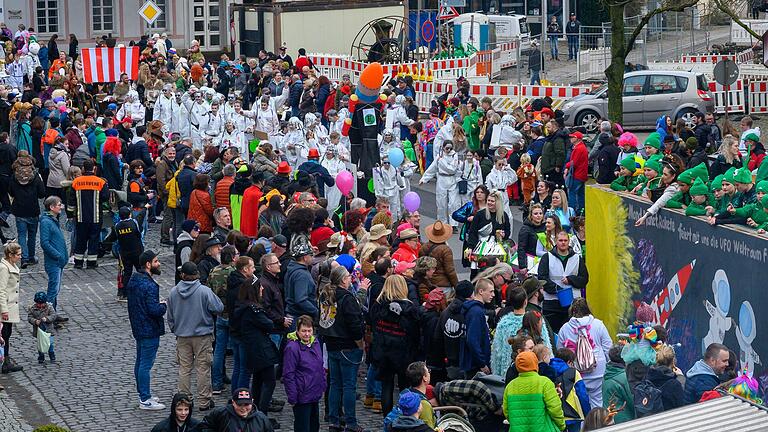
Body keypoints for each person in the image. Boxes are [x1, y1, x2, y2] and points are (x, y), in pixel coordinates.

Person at [167, 262, 224, 411]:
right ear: (196, 274)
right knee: (202, 368)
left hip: (182, 336)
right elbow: (218, 307)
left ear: (183, 275)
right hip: (202, 336)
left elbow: (170, 317)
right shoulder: (204, 291)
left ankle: (185, 400)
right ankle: (204, 401)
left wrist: (176, 330)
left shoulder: (173, 292)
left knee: (184, 369)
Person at [317, 266, 366, 432]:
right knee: (349, 386)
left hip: (331, 344)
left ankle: (334, 421)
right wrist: (360, 341)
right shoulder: (347, 298)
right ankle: (351, 422)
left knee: (335, 384)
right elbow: (355, 325)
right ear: (343, 279)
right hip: (347, 346)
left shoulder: (325, 295)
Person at [233, 278, 280, 429]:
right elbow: (268, 323)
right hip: (260, 349)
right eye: (260, 288)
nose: (262, 290)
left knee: (259, 381)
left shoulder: (243, 307)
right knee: (269, 381)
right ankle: (262, 414)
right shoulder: (253, 309)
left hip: (253, 348)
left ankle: (257, 411)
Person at [371, 274, 421, 417]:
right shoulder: (409, 308)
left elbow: (373, 325)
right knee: (404, 386)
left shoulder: (379, 305)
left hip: (384, 351)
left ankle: (388, 418)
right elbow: (415, 333)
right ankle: (405, 415)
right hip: (403, 353)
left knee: (387, 385)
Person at [126, 250, 167, 410]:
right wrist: (164, 305)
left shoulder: (134, 280)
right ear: (148, 264)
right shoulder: (149, 285)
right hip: (149, 329)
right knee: (145, 365)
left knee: (140, 362)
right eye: (156, 261)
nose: (159, 264)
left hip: (138, 327)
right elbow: (154, 310)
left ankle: (143, 393)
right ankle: (145, 398)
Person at [557, 298, 612, 408]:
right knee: (599, 403)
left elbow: (560, 353)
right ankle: (599, 422)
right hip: (599, 372)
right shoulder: (598, 325)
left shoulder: (564, 329)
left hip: (576, 375)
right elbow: (608, 348)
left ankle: (585, 424)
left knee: (580, 405)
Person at [538, 231, 589, 332]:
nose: (563, 243)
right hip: (552, 303)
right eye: (560, 240)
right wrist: (557, 288)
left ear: (569, 242)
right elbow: (542, 278)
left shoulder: (577, 258)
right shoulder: (547, 257)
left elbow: (584, 279)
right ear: (556, 242)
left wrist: (571, 279)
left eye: (565, 240)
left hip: (572, 303)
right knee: (552, 333)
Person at [502, 351, 566, 432]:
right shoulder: (545, 383)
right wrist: (561, 425)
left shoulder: (510, 386)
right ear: (535, 363)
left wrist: (517, 423)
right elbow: (555, 408)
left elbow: (506, 411)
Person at [283, 315, 326, 432]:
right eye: (303, 331)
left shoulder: (315, 342)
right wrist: (292, 397)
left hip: (314, 393)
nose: (307, 334)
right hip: (302, 395)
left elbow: (320, 365)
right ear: (297, 330)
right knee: (303, 427)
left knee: (314, 426)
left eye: (309, 331)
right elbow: (288, 374)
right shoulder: (292, 348)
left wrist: (323, 384)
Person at [209, 246, 238, 395]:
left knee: (219, 350)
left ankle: (216, 383)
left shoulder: (214, 271)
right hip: (233, 315)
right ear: (233, 257)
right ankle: (238, 383)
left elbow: (209, 290)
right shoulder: (234, 273)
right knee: (238, 351)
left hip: (220, 314)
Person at [71, 159, 109, 269]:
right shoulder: (101, 182)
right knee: (94, 239)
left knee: (80, 239)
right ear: (94, 168)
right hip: (95, 216)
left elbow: (71, 201)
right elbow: (105, 197)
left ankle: (78, 262)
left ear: (83, 168)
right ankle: (91, 262)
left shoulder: (76, 182)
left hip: (80, 216)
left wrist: (70, 215)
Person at [460, 278, 494, 378]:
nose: (493, 295)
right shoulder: (476, 312)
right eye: (491, 291)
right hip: (475, 366)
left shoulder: (474, 310)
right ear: (481, 291)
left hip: (472, 363)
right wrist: (482, 363)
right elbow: (472, 340)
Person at [39, 196, 68, 312]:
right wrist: (57, 255)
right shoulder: (46, 222)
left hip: (58, 262)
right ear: (51, 207)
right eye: (59, 205)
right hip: (53, 262)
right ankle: (48, 314)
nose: (61, 207)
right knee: (53, 290)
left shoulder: (52, 220)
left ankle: (53, 314)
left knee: (55, 289)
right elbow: (44, 243)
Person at [199, 388, 274, 431]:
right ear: (233, 402)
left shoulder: (262, 419)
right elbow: (205, 427)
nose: (243, 408)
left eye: (247, 404)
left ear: (252, 402)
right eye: (239, 404)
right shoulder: (221, 413)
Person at [0, 242, 23, 373]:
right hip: (6, 307)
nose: (20, 257)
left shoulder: (10, 265)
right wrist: (4, 310)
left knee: (7, 335)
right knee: (4, 335)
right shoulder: (4, 268)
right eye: (18, 255)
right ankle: (5, 362)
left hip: (10, 306)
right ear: (10, 255)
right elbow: (1, 290)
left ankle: (6, 361)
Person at [643, 344, 685, 413]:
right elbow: (683, 407)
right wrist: (681, 378)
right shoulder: (674, 385)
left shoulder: (647, 378)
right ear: (673, 362)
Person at [284, 243, 318, 325]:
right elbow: (301, 300)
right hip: (299, 318)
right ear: (305, 258)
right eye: (311, 255)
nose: (313, 257)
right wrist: (316, 311)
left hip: (293, 314)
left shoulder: (292, 269)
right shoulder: (301, 275)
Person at [419, 221, 458, 289]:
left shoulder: (424, 247)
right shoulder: (446, 250)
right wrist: (456, 285)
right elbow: (450, 271)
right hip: (443, 285)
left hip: (428, 284)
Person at [601, 345, 634, 423]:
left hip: (610, 419)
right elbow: (632, 400)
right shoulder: (624, 377)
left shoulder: (607, 374)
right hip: (625, 421)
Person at [565, 131, 588, 214]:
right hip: (582, 175)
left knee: (572, 193)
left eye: (572, 137)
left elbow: (573, 162)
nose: (571, 139)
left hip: (577, 175)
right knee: (580, 194)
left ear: (577, 139)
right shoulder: (582, 147)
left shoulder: (578, 149)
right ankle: (581, 211)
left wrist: (566, 167)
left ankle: (572, 212)